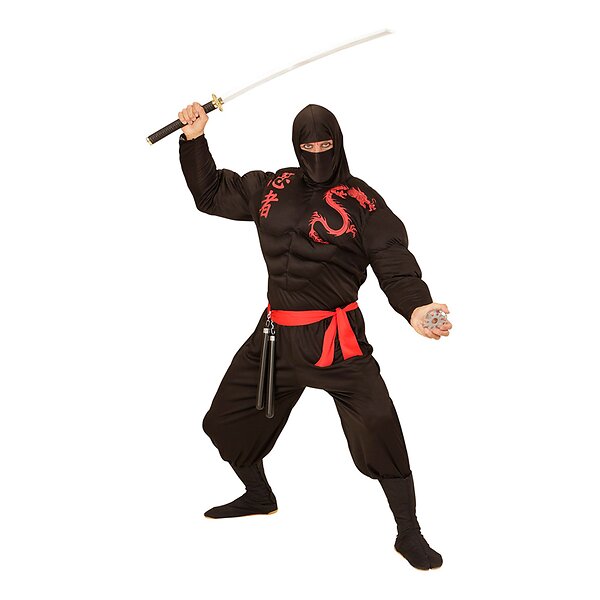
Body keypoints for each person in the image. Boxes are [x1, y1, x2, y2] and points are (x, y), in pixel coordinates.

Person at [178, 101, 452, 570]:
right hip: (275, 337)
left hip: (336, 341)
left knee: (379, 426)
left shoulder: (363, 202)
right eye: (309, 146)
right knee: (225, 420)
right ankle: (258, 494)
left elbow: (394, 262)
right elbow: (211, 193)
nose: (318, 153)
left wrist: (417, 307)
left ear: (338, 144)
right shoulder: (273, 186)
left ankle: (409, 532)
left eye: (326, 144)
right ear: (296, 146)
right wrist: (195, 138)